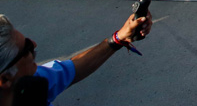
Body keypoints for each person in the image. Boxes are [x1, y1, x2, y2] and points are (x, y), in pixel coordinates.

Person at [0, 10, 153, 105]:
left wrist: (118, 38)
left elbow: (72, 70)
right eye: (26, 48)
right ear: (5, 79)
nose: (34, 44)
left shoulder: (25, 80)